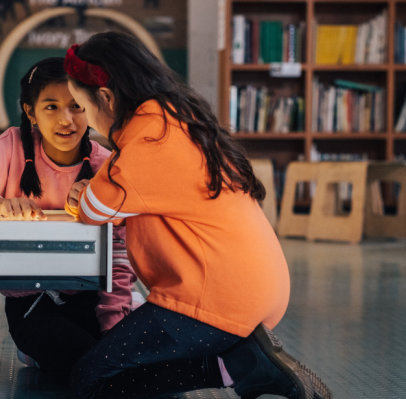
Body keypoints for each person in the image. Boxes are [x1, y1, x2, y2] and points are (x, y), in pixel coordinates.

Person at [63, 32, 332, 399]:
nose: (86, 123)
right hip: (252, 287)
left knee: (89, 381)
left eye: (81, 107)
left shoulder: (147, 141)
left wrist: (83, 194)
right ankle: (242, 364)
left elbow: (94, 209)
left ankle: (248, 365)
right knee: (131, 367)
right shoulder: (175, 116)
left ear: (106, 97)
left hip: (213, 298)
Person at [0, 57, 139, 383]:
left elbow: (119, 260)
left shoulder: (105, 165)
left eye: (76, 106)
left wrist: (113, 329)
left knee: (122, 361)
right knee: (97, 372)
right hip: (32, 305)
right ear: (31, 112)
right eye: (51, 107)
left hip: (91, 299)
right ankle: (40, 351)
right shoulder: (13, 146)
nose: (66, 119)